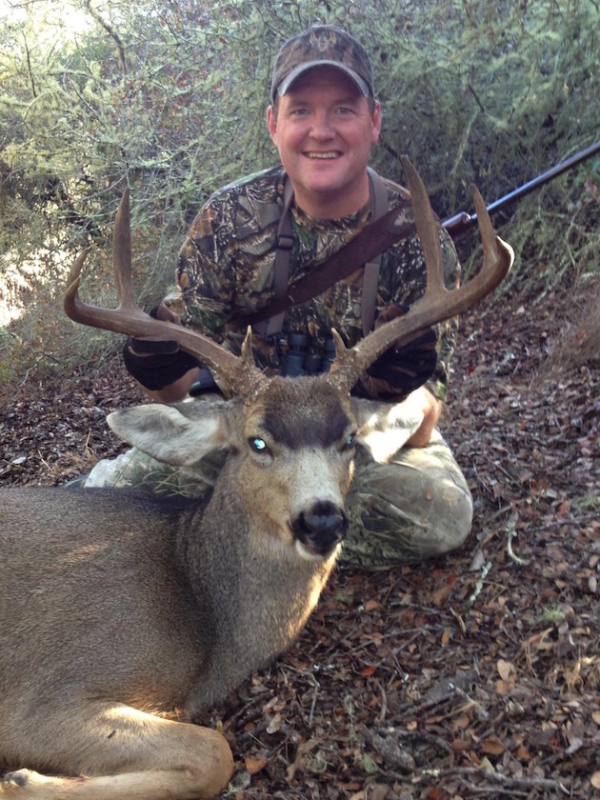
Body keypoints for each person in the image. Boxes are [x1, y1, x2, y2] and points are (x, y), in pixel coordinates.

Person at [84, 24, 473, 567]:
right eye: (300, 111)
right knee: (112, 496)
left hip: (350, 443)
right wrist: (156, 369)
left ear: (374, 121)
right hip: (253, 444)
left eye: (342, 109)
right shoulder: (228, 220)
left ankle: (253, 538)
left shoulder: (420, 240)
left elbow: (424, 419)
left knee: (443, 513)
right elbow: (178, 391)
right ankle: (285, 532)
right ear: (273, 124)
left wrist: (395, 387)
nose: (321, 130)